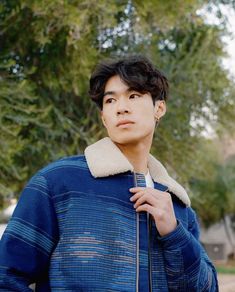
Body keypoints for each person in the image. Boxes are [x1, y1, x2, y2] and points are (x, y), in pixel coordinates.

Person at [0, 55, 218, 291]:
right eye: (111, 100)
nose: (121, 108)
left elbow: (206, 288)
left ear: (159, 108)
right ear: (104, 117)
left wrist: (174, 234)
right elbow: (6, 277)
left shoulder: (178, 205)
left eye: (133, 96)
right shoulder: (57, 183)